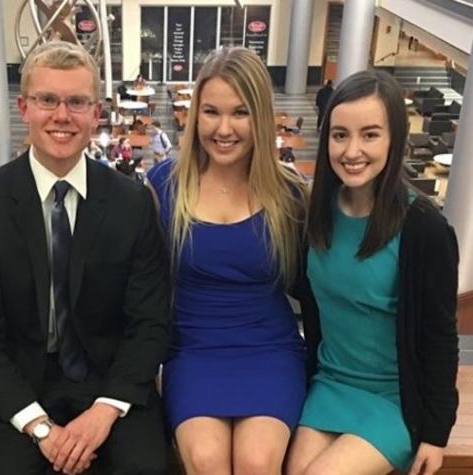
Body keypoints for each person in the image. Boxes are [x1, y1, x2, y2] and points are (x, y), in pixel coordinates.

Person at [0, 41, 170, 475]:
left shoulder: (132, 203)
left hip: (108, 380)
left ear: (96, 113)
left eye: (76, 102)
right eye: (47, 100)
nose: (61, 115)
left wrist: (105, 409)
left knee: (145, 468)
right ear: (24, 107)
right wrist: (40, 428)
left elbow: (150, 321)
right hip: (16, 382)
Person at [287, 69, 459, 475]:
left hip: (394, 397)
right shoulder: (315, 213)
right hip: (330, 382)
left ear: (394, 138)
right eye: (340, 134)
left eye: (370, 134)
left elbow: (440, 337)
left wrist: (436, 433)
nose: (352, 150)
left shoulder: (424, 228)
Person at [147, 46, 309, 474]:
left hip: (269, 348)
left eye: (240, 113)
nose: (223, 128)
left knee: (258, 462)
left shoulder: (290, 195)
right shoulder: (163, 186)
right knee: (206, 460)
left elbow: (319, 284)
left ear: (260, 116)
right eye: (211, 112)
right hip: (193, 349)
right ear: (195, 113)